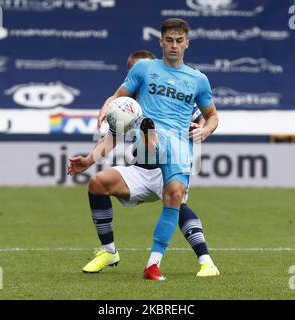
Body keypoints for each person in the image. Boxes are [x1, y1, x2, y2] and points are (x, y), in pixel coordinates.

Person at [75, 18, 219, 280]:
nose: (174, 45)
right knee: (97, 182)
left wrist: (205, 130)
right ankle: (108, 251)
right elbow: (117, 107)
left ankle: (154, 264)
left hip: (174, 152)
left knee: (175, 194)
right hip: (143, 165)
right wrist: (88, 160)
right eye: (169, 40)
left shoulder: (197, 80)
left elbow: (211, 116)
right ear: (160, 41)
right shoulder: (141, 77)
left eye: (179, 40)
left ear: (187, 43)